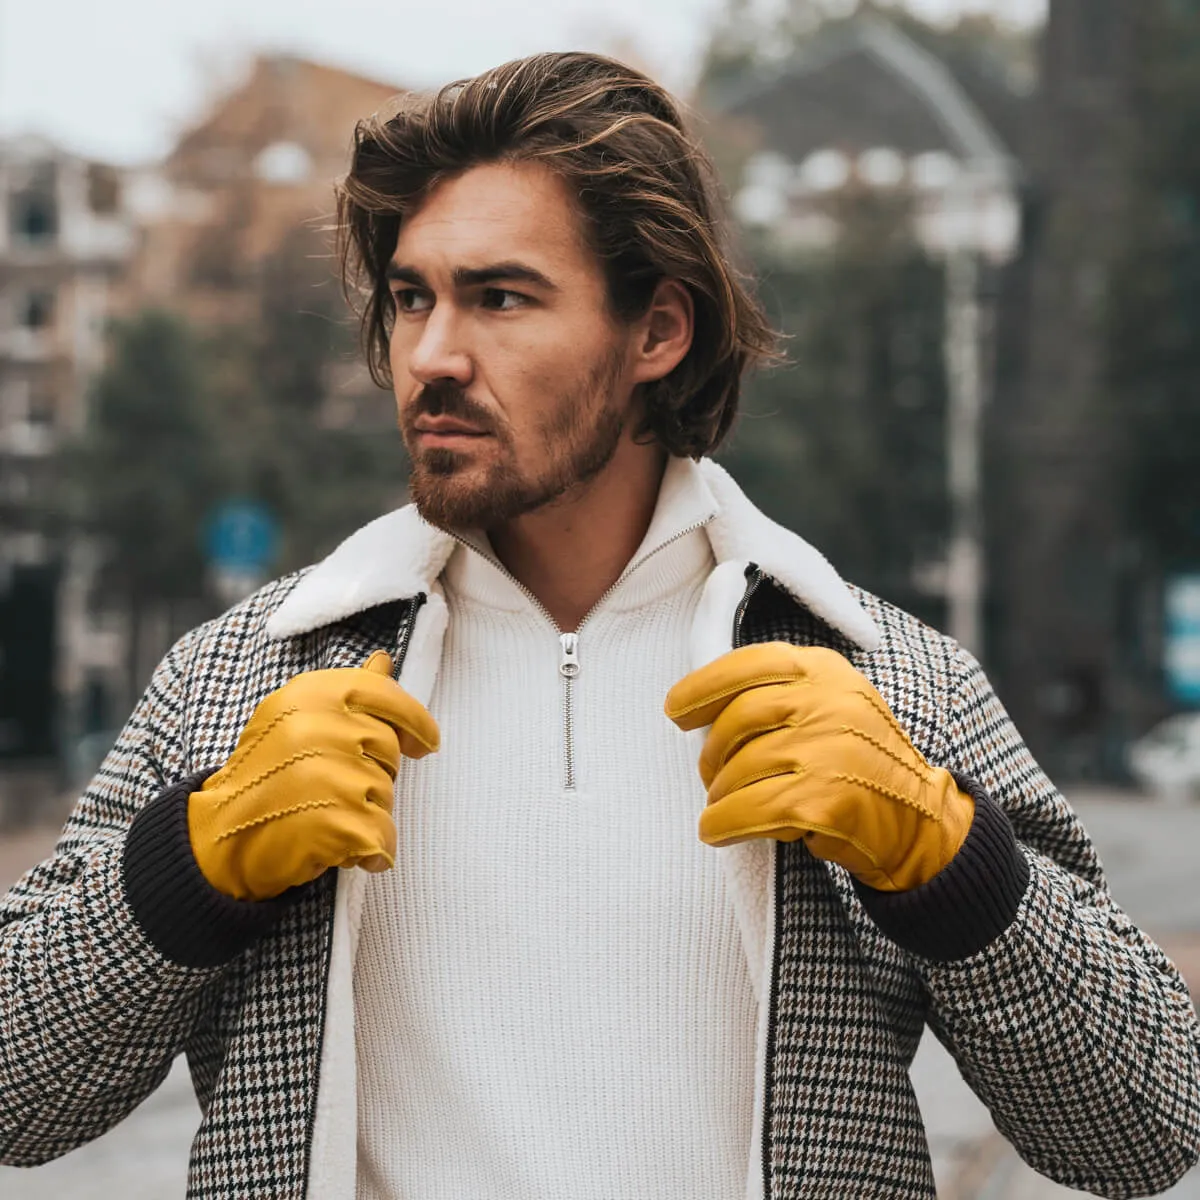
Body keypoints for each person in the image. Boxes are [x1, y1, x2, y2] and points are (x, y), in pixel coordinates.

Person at [1, 51, 1197, 1200]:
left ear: (658, 333)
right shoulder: (242, 682)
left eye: (501, 298)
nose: (432, 355)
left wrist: (948, 861)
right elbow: (18, 1094)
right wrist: (185, 869)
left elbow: (1144, 1127)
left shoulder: (881, 680)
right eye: (412, 297)